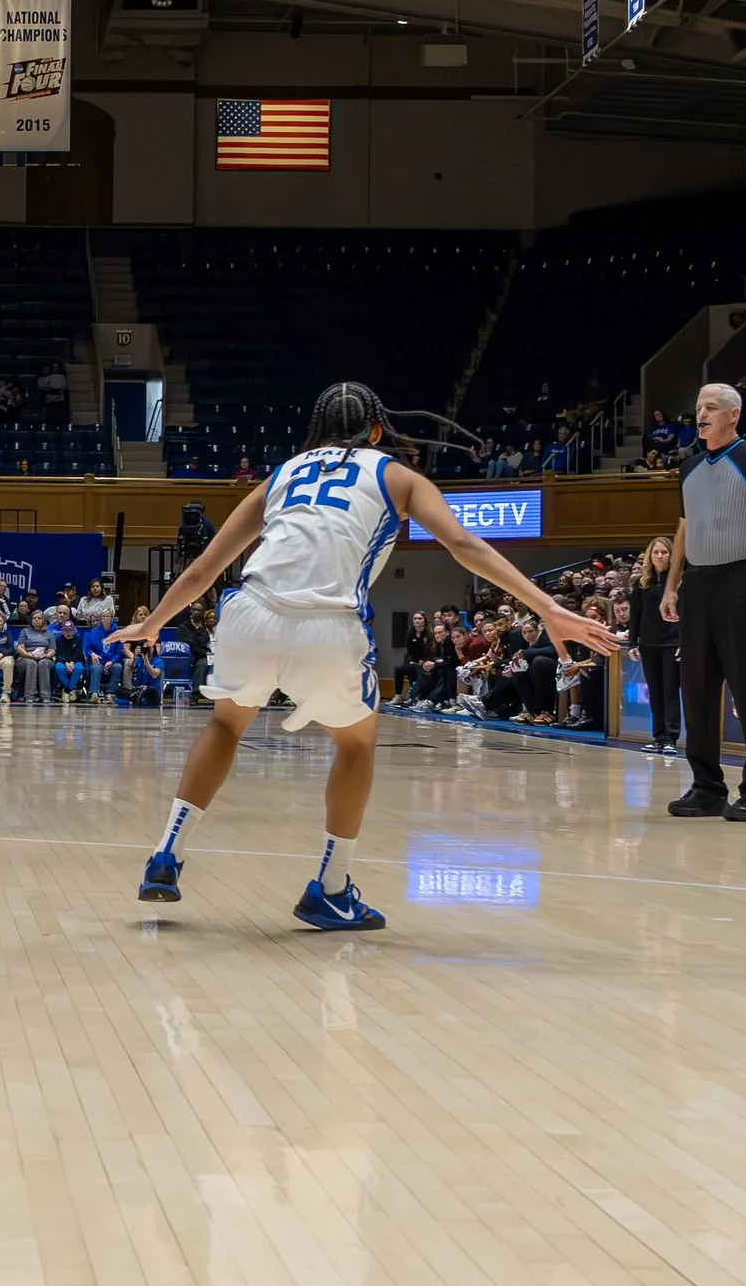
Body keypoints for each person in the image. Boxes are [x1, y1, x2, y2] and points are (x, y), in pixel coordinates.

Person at [118, 382, 618, 930]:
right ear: (376, 430)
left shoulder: (283, 474)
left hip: (251, 612)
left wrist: (152, 622)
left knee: (225, 725)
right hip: (327, 624)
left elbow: (203, 570)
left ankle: (165, 855)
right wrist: (548, 606)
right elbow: (463, 545)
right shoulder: (397, 476)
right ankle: (331, 889)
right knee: (356, 744)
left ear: (317, 430)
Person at [663, 382, 746, 824]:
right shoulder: (688, 467)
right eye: (698, 407)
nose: (701, 415)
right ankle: (707, 788)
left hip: (743, 581)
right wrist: (671, 586)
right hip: (698, 585)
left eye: (711, 408)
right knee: (697, 692)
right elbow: (684, 530)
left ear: (733, 415)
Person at [628, 536, 680, 754]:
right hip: (649, 644)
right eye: (656, 552)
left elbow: (687, 614)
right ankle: (658, 737)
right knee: (655, 692)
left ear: (671, 556)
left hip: (672, 643)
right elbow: (636, 615)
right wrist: (633, 642)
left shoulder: (677, 583)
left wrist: (684, 641)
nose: (660, 556)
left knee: (670, 690)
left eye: (664, 552)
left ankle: (671, 738)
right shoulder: (641, 584)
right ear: (650, 556)